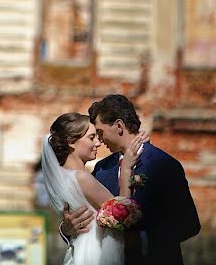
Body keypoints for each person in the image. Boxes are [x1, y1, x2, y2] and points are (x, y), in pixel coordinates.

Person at [60, 95, 200, 265]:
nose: (99, 140)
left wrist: (140, 240)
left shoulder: (165, 166)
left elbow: (189, 224)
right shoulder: (102, 169)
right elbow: (88, 220)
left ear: (119, 126)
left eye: (100, 133)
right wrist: (66, 229)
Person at [42, 112, 147, 265]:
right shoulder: (82, 178)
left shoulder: (61, 177)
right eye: (92, 138)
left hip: (79, 251)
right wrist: (125, 170)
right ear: (71, 142)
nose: (98, 143)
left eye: (97, 136)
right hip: (96, 252)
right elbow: (121, 214)